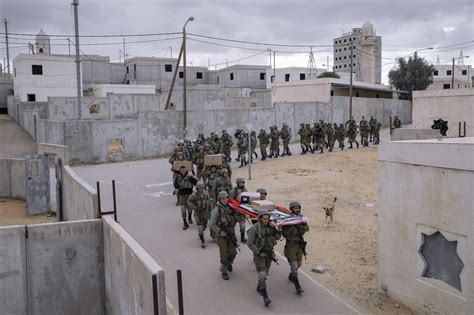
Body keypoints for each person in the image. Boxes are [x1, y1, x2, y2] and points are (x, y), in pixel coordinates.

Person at [247, 210, 282, 306]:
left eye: (268, 219)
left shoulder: (271, 226)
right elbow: (249, 243)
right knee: (262, 274)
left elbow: (278, 237)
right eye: (264, 219)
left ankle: (259, 286)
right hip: (259, 255)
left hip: (269, 253)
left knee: (265, 273)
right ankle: (265, 295)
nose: (267, 220)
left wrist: (279, 230)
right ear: (260, 219)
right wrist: (258, 252)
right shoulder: (255, 228)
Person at [210, 191, 240, 280]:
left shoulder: (231, 207)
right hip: (222, 235)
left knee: (233, 252)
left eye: (226, 198)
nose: (225, 200)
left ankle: (229, 263)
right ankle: (224, 270)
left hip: (231, 234)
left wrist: (241, 215)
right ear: (219, 199)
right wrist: (220, 232)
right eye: (223, 198)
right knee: (224, 254)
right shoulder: (217, 210)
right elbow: (212, 224)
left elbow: (237, 216)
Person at [282, 201, 309, 294]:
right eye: (295, 208)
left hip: (299, 245)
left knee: (299, 264)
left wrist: (303, 224)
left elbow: (307, 229)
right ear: (291, 209)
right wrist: (292, 228)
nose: (297, 210)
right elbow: (284, 233)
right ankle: (297, 285)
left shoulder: (301, 218)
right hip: (291, 245)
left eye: (298, 208)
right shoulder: (287, 220)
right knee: (294, 265)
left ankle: (292, 276)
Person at [187, 181, 212, 248]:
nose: (200, 189)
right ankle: (202, 240)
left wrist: (210, 210)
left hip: (205, 212)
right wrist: (194, 207)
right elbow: (188, 201)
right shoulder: (194, 195)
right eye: (199, 188)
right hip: (198, 212)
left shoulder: (206, 194)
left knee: (204, 226)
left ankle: (201, 232)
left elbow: (209, 201)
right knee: (199, 227)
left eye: (202, 188)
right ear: (197, 188)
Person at [173, 166, 198, 230]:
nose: (183, 171)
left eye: (184, 170)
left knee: (190, 208)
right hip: (181, 195)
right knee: (183, 209)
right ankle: (185, 222)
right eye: (182, 170)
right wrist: (180, 184)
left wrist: (198, 190)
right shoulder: (178, 177)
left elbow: (196, 183)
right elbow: (175, 185)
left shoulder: (189, 177)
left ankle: (189, 217)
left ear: (186, 170)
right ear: (180, 170)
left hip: (189, 194)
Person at [230, 177, 248, 243]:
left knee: (242, 226)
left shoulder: (246, 191)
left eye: (242, 182)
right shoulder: (232, 191)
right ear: (237, 183)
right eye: (240, 182)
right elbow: (230, 201)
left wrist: (246, 212)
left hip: (241, 212)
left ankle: (242, 237)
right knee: (232, 226)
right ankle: (233, 237)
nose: (241, 183)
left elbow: (247, 202)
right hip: (234, 211)